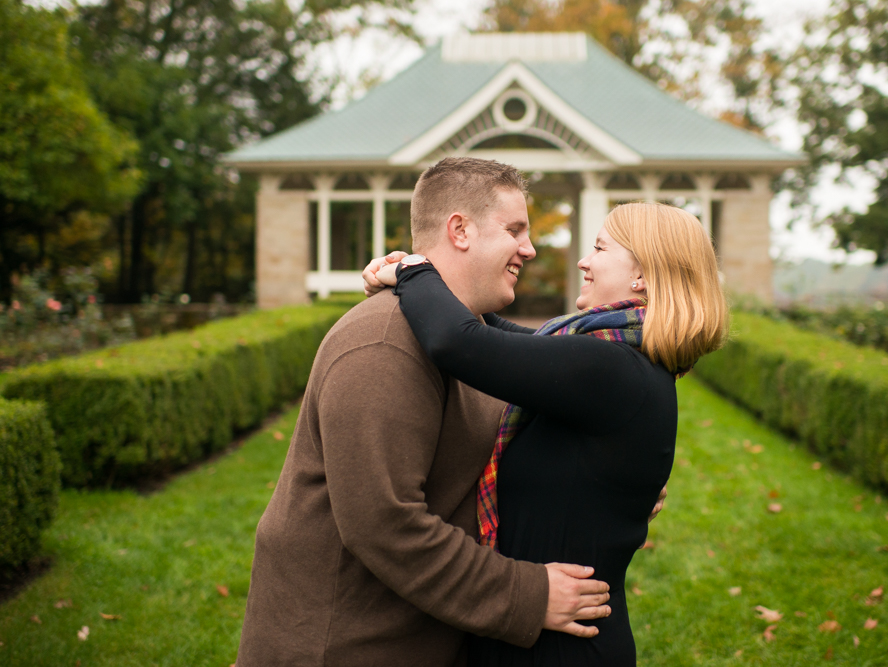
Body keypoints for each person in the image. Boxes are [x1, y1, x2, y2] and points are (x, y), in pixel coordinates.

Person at [235, 158, 613, 667]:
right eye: (514, 230)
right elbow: (384, 524)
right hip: (341, 646)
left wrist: (615, 475)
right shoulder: (384, 343)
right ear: (460, 230)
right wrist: (526, 595)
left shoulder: (472, 342)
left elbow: (518, 436)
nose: (530, 248)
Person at [366, 201, 728, 666]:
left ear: (642, 276)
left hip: (557, 647)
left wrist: (416, 272)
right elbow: (512, 344)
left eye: (599, 247)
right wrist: (449, 286)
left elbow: (459, 343)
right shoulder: (622, 360)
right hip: (554, 636)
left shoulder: (611, 368)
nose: (583, 260)